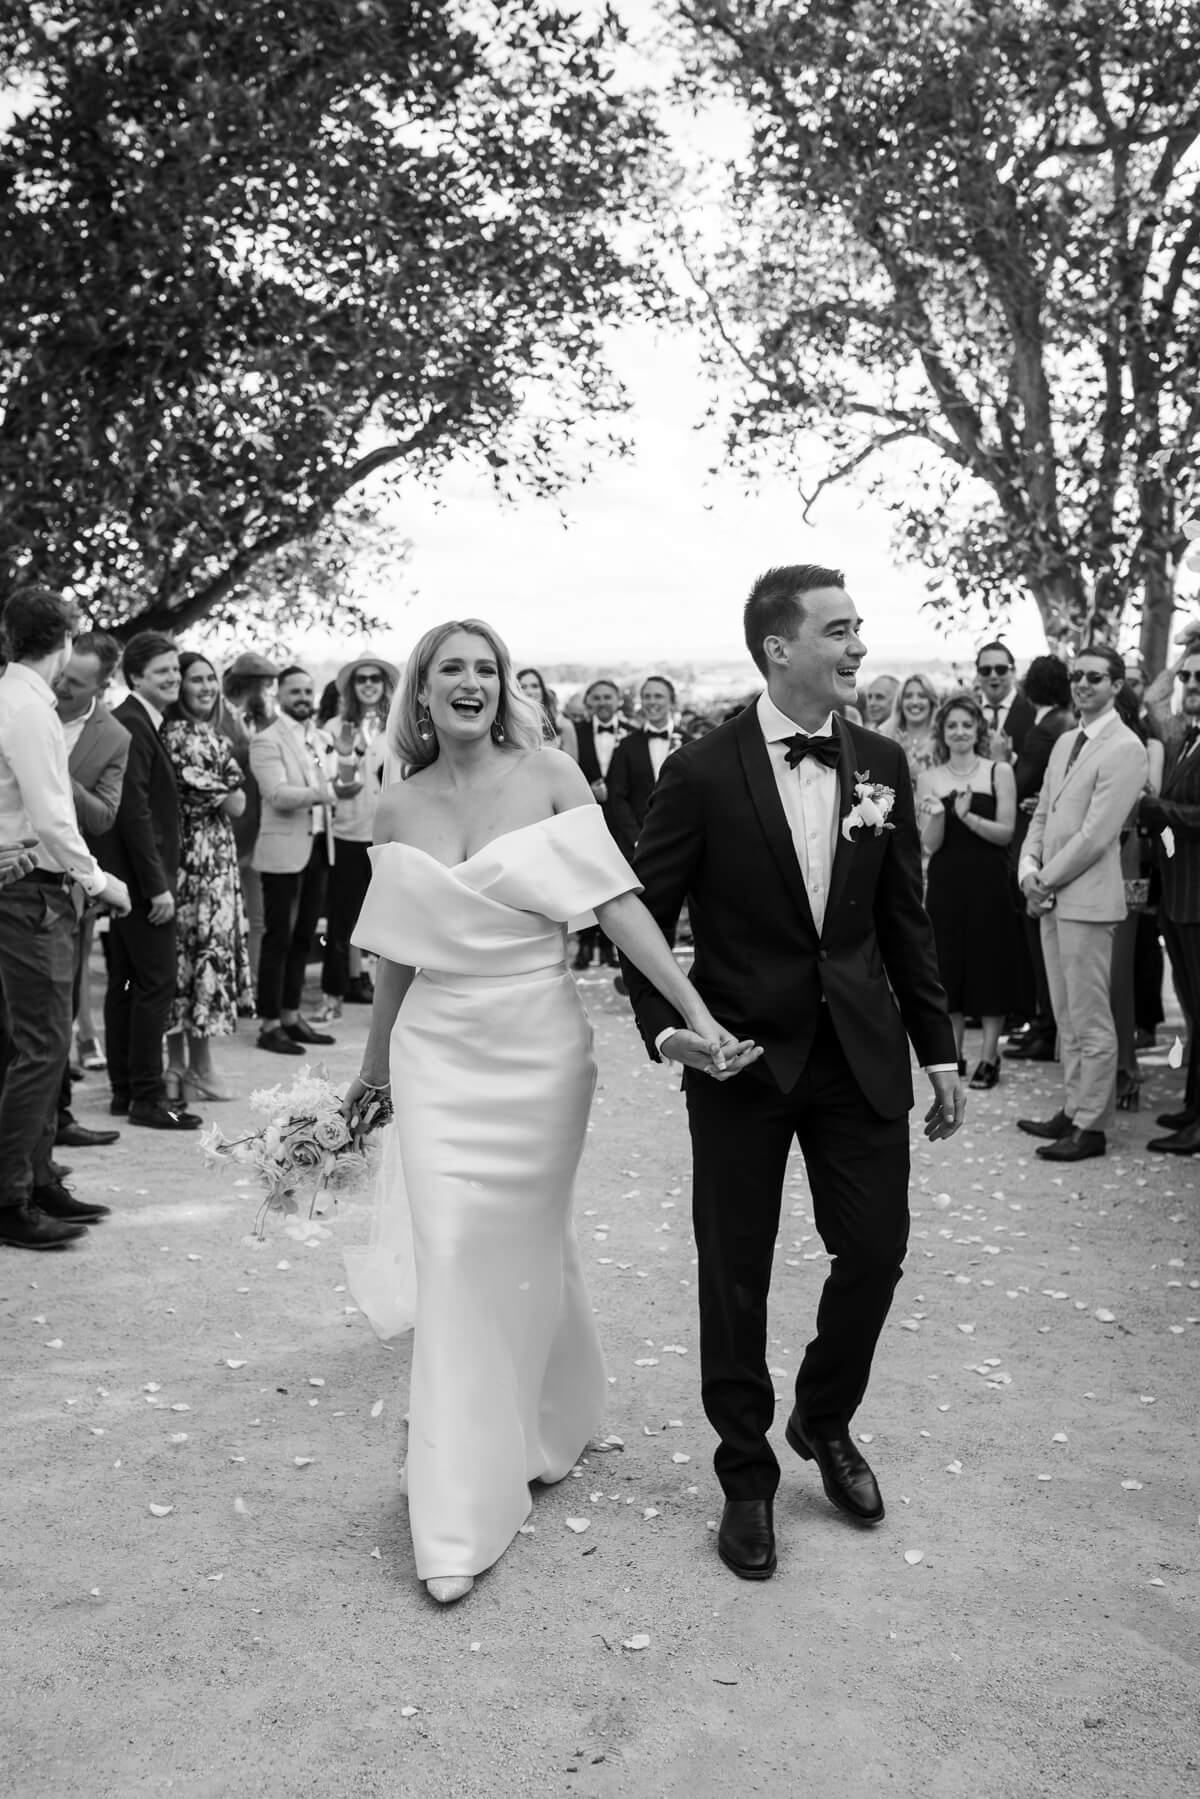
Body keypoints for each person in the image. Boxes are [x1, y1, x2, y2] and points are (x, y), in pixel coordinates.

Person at [341, 618, 733, 1606]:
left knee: (522, 1244)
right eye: (450, 669)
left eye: (487, 668)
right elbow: (394, 949)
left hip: (537, 1045)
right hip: (437, 1044)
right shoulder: (393, 803)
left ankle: (550, 1417)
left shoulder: (553, 772)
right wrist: (372, 1066)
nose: (471, 683)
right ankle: (459, 1499)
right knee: (459, 1251)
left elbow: (617, 901)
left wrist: (695, 1008)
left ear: (504, 685)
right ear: (420, 692)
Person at [622, 564, 963, 1583]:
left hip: (859, 1051)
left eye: (858, 627)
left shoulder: (883, 764)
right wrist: (668, 1031)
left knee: (877, 1247)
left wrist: (938, 1048)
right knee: (736, 1270)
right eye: (840, 629)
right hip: (741, 1060)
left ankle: (824, 1415)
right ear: (780, 646)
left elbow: (903, 913)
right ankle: (745, 1475)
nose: (859, 645)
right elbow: (639, 918)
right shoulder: (702, 767)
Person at [0, 588, 131, 1251]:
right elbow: (54, 814)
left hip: (28, 883)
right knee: (43, 1042)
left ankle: (39, 1174)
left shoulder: (18, 700)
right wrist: (100, 879)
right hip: (29, 891)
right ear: (67, 639)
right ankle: (10, 1196)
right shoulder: (26, 709)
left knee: (33, 1041)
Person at [1017, 644, 1148, 1163]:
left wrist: (1043, 880)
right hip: (1049, 896)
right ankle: (1073, 1108)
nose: (1082, 684)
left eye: (1095, 676)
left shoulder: (1127, 748)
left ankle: (1091, 1126)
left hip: (1088, 901)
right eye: (1077, 676)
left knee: (1092, 1019)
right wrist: (1028, 869)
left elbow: (1097, 836)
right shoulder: (1066, 739)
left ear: (1116, 684)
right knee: (1066, 1015)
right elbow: (1044, 815)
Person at [98, 632, 201, 1131]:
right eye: (163, 670)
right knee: (154, 985)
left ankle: (125, 1092)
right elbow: (134, 813)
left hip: (128, 880)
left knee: (124, 983)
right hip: (142, 883)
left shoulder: (139, 721)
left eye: (175, 670)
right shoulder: (134, 725)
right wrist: (158, 886)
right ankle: (147, 1097)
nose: (173, 678)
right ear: (135, 675)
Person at [917, 692, 1023, 1089]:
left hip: (989, 883)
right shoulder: (929, 778)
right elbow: (930, 845)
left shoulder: (999, 772)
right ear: (942, 733)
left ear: (978, 728)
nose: (959, 732)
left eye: (966, 724)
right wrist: (942, 817)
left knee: (990, 966)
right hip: (946, 884)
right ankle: (954, 1053)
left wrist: (969, 816)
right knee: (948, 968)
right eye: (952, 726)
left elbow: (1006, 833)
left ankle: (989, 1055)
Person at [160, 653, 252, 1103]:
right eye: (195, 679)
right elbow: (236, 804)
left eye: (211, 679)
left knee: (183, 957)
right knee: (205, 954)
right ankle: (201, 1067)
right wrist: (227, 791)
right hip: (204, 860)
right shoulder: (190, 736)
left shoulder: (189, 735)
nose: (206, 687)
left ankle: (176, 1066)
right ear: (178, 686)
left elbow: (234, 797)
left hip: (185, 857)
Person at [51, 629, 130, 1147]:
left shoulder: (114, 737)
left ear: (101, 687)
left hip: (67, 886)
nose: (60, 690)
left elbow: (102, 818)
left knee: (60, 1006)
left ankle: (57, 1118)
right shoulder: (20, 706)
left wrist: (55, 773)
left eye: (76, 686)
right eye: (61, 676)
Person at [249, 666, 338, 1056]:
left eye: (307, 690)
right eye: (294, 691)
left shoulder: (320, 738)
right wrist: (325, 793)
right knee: (278, 938)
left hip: (319, 845)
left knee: (305, 936)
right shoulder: (266, 740)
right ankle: (268, 1024)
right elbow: (277, 794)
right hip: (283, 849)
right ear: (279, 696)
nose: (303, 697)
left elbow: (331, 780)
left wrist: (331, 787)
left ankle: (290, 1015)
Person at [314, 657, 397, 1022]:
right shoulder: (333, 727)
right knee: (341, 919)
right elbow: (337, 784)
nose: (368, 684)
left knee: (393, 921)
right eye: (361, 679)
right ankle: (332, 997)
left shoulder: (398, 727)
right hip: (348, 832)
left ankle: (394, 1001)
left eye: (375, 678)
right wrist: (351, 752)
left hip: (391, 834)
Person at [1142, 644, 1200, 1153]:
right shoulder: (1185, 738)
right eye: (1191, 679)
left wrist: (1157, 808)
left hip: (1197, 899)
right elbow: (1158, 697)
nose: (1193, 686)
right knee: (1192, 1012)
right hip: (1178, 894)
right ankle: (1192, 1108)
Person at [1003, 655, 1076, 1063]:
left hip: (1037, 849)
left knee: (1040, 944)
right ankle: (1046, 1025)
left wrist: (1004, 760)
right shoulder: (1061, 723)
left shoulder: (1045, 731)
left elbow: (1019, 787)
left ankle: (1047, 1029)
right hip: (1046, 845)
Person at [1107, 686, 1163, 1113]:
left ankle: (1127, 1070)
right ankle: (1100, 1072)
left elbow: (1149, 803)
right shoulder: (1079, 741)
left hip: (1127, 859)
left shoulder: (1144, 746)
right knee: (1092, 980)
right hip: (1085, 864)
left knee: (1119, 976)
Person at [570, 677, 631, 969]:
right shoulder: (576, 733)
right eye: (596, 698)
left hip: (621, 821)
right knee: (583, 881)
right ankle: (584, 946)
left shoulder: (633, 734)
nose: (602, 703)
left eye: (608, 697)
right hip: (583, 817)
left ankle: (610, 947)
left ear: (618, 700)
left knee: (614, 882)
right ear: (588, 703)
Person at [607, 675, 683, 863]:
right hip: (636, 848)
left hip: (680, 844)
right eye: (647, 697)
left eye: (658, 696)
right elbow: (617, 797)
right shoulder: (626, 746)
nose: (651, 702)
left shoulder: (691, 743)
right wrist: (637, 838)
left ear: (672, 702)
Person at [974, 640, 1036, 761]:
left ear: (1013, 671)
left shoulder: (1032, 711)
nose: (993, 675)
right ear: (978, 674)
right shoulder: (969, 711)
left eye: (1000, 669)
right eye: (985, 670)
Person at [880, 672, 940, 783]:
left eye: (922, 696)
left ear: (932, 702)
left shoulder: (942, 739)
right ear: (900, 703)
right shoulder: (884, 734)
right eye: (908, 696)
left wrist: (906, 756)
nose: (915, 702)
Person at [517, 667, 579, 760]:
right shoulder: (510, 724)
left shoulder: (562, 724)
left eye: (535, 686)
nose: (530, 692)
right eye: (523, 687)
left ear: (542, 690)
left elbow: (573, 764)